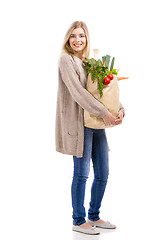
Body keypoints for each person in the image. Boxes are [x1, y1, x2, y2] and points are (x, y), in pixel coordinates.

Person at [55, 21, 125, 235]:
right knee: (82, 173)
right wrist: (105, 113)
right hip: (80, 125)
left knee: (103, 173)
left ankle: (94, 216)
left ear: (86, 39)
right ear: (68, 39)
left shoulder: (88, 61)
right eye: (73, 36)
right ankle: (78, 219)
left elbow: (103, 90)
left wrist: (120, 108)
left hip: (96, 123)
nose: (78, 40)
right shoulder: (65, 60)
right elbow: (78, 92)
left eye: (82, 36)